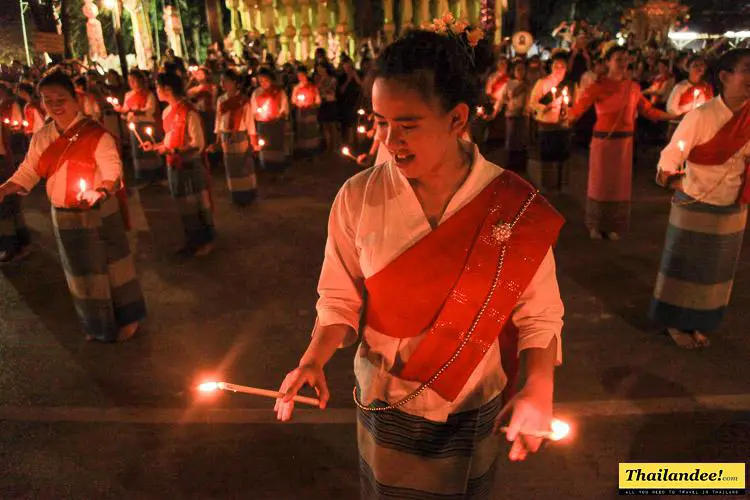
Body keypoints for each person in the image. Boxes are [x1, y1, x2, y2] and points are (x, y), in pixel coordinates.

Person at [274, 29, 564, 499]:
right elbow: (339, 296)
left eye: (408, 125)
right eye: (381, 122)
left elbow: (540, 314)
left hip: (473, 395)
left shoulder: (512, 205)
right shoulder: (357, 197)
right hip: (387, 395)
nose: (390, 140)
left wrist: (539, 389)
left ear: (457, 119)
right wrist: (313, 358)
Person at [0, 69, 145, 341]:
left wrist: (100, 190)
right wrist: (6, 187)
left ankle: (128, 318)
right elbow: (29, 169)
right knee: (81, 272)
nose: (54, 105)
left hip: (98, 211)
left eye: (60, 98)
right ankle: (96, 323)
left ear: (75, 99)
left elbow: (113, 171)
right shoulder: (42, 136)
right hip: (64, 216)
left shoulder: (95, 134)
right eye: (47, 100)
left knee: (113, 267)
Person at [650, 49, 750, 349]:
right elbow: (672, 153)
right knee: (685, 268)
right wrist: (674, 177)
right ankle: (675, 322)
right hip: (695, 201)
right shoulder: (701, 115)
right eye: (746, 70)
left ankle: (699, 322)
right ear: (723, 77)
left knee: (715, 273)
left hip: (732, 205)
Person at [567, 44, 676, 240]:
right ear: (607, 62)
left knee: (619, 185)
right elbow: (578, 109)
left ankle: (613, 225)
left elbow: (648, 110)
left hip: (624, 143)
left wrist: (674, 116)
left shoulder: (633, 87)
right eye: (618, 59)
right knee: (600, 183)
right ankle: (596, 225)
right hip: (603, 141)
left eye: (625, 59)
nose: (623, 63)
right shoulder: (597, 86)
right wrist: (565, 116)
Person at [143, 72, 215, 257]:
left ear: (167, 89)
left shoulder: (188, 112)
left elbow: (198, 144)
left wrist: (173, 151)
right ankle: (191, 241)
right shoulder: (167, 112)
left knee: (197, 205)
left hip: (189, 166)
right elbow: (169, 140)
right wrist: (157, 145)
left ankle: (205, 242)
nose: (156, 91)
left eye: (157, 87)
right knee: (183, 207)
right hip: (174, 165)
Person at [527, 52, 574, 192]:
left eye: (562, 66)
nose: (559, 69)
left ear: (566, 69)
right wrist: (545, 107)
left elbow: (575, 105)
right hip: (546, 125)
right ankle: (547, 186)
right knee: (547, 156)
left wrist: (569, 113)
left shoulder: (569, 85)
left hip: (563, 126)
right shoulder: (542, 83)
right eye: (556, 66)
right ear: (551, 68)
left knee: (562, 157)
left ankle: (561, 185)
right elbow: (532, 103)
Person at [211, 68, 257, 206]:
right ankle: (236, 194)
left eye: (225, 81)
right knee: (230, 166)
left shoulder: (243, 100)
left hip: (240, 136)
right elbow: (219, 120)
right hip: (226, 137)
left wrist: (253, 140)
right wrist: (218, 137)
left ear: (234, 83)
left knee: (243, 166)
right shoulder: (221, 100)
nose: (222, 84)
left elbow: (249, 121)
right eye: (221, 81)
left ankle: (247, 194)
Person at [115, 70, 163, 184]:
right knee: (138, 151)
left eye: (133, 81)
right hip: (134, 126)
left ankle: (155, 176)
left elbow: (149, 111)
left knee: (150, 150)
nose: (131, 83)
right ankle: (142, 176)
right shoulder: (128, 95)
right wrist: (122, 111)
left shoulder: (149, 94)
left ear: (141, 81)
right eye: (129, 81)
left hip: (147, 125)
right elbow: (126, 112)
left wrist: (134, 111)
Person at [0, 85, 30, 264]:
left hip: (1, 164)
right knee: (11, 205)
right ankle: (21, 241)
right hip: (5, 163)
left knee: (4, 209)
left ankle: (9, 246)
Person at [247, 67, 292, 178]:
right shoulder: (256, 93)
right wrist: (258, 114)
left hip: (276, 124)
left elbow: (284, 107)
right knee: (265, 147)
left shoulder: (279, 92)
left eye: (265, 80)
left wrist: (279, 115)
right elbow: (254, 110)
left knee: (277, 146)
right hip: (263, 125)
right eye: (260, 81)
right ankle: (267, 168)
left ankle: (279, 169)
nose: (263, 83)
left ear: (271, 80)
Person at [666, 56, 714, 139]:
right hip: (680, 126)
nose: (699, 68)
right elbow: (671, 110)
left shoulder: (707, 87)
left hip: (700, 127)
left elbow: (711, 106)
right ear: (688, 69)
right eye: (695, 66)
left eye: (701, 65)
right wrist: (688, 109)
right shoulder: (680, 87)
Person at [291, 65, 323, 157]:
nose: (300, 78)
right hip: (301, 112)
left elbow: (318, 101)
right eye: (299, 76)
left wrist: (312, 105)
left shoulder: (312, 87)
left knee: (311, 131)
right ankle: (303, 150)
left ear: (306, 75)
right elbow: (293, 101)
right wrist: (299, 103)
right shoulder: (296, 88)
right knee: (302, 130)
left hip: (311, 113)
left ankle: (313, 150)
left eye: (302, 75)